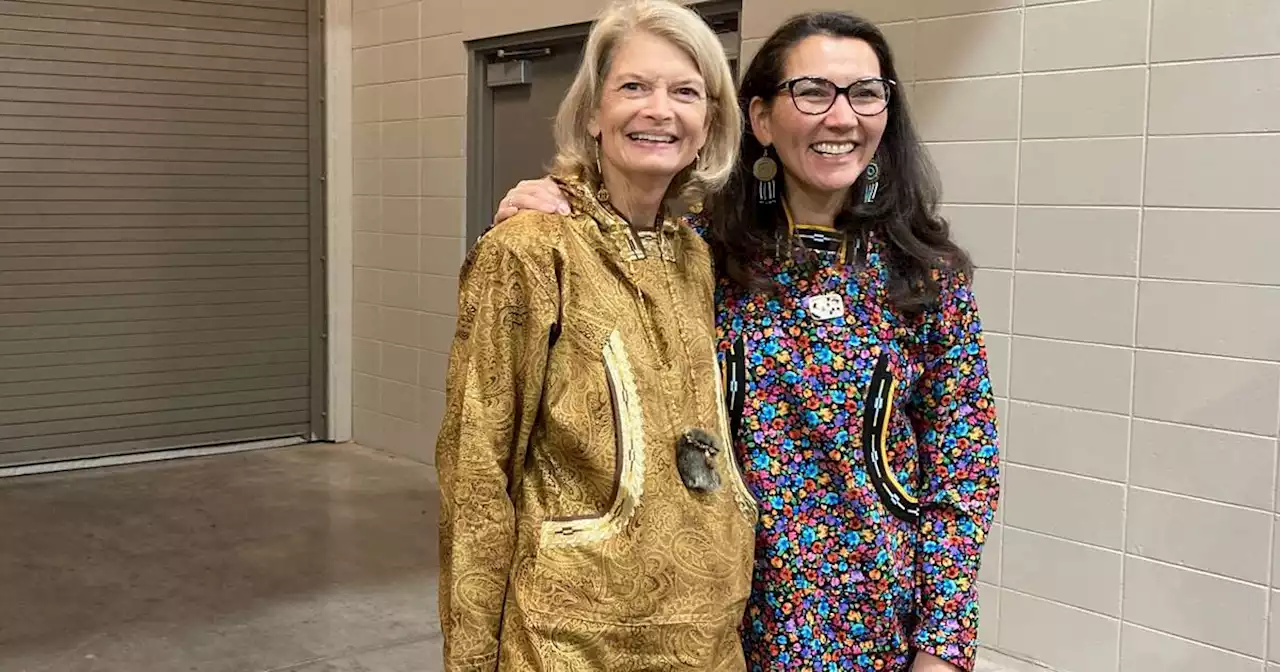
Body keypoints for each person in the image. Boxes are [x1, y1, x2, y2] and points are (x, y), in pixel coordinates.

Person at [489, 11, 1000, 672]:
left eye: (865, 93)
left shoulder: (925, 275)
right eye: (812, 92)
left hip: (875, 626)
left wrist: (943, 642)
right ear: (759, 118)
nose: (841, 117)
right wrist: (546, 209)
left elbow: (965, 470)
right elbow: (598, 245)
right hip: (710, 622)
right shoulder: (695, 254)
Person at [434, 1, 758, 670]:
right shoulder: (529, 249)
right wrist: (470, 659)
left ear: (708, 125)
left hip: (706, 638)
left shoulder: (692, 256)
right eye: (634, 86)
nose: (659, 109)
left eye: (685, 91)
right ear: (592, 113)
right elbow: (474, 471)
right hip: (571, 642)